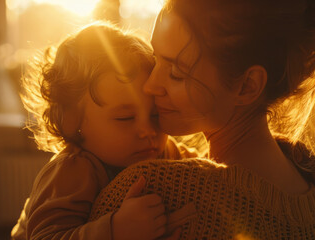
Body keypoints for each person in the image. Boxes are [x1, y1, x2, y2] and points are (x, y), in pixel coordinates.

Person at [88, 0, 315, 239]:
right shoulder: (308, 196)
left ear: (247, 86)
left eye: (176, 72)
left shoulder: (151, 190)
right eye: (155, 58)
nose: (150, 85)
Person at [11, 22, 196, 240]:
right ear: (74, 122)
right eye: (125, 118)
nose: (148, 130)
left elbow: (205, 169)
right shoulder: (72, 171)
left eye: (155, 114)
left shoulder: (165, 151)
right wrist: (115, 231)